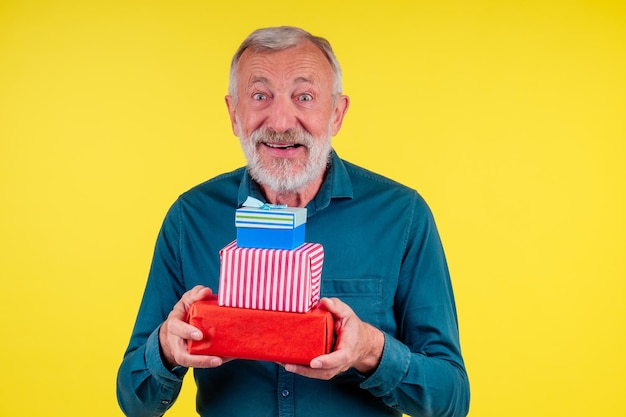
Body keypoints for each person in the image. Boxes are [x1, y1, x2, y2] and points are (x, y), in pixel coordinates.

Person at [116, 26, 470, 417]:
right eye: (259, 96)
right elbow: (135, 401)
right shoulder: (191, 218)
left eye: (304, 97)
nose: (281, 121)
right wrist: (166, 348)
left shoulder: (402, 216)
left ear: (336, 114)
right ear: (235, 114)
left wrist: (370, 349)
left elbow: (451, 400)